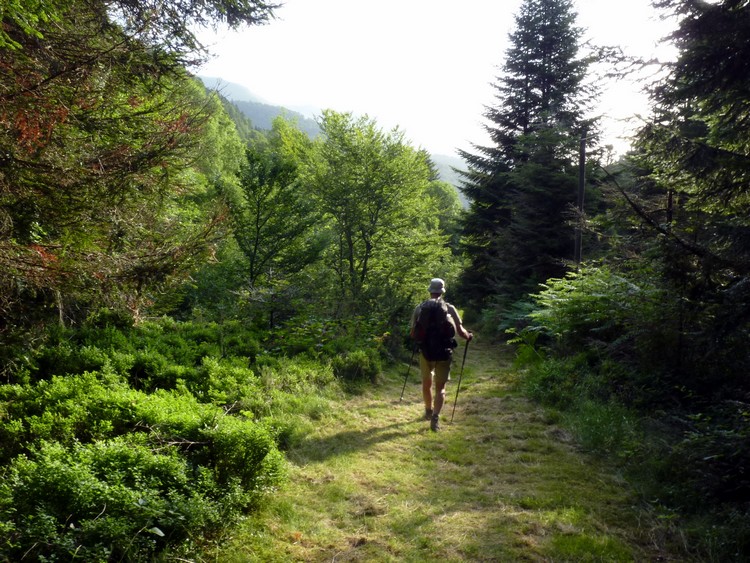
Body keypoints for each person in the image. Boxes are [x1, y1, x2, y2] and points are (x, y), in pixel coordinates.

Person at [410, 278, 472, 431]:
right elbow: (461, 332)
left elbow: (413, 333)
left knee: (426, 383)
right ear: (443, 291)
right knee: (441, 388)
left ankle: (428, 410)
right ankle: (435, 418)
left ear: (430, 290)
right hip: (444, 353)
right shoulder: (449, 308)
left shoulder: (420, 308)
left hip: (425, 352)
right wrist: (469, 336)